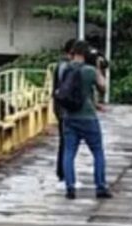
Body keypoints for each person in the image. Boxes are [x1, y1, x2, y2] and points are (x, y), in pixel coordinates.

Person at [62, 40, 113, 200]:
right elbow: (103, 87)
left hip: (69, 116)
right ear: (85, 54)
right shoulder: (89, 71)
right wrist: (98, 68)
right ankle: (100, 186)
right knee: (97, 152)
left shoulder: (65, 69)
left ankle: (70, 187)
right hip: (88, 117)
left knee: (69, 152)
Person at [53, 39, 76, 182]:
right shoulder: (66, 67)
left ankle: (63, 172)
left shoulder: (62, 66)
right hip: (64, 109)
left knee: (65, 142)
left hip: (60, 107)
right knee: (66, 143)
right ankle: (64, 174)